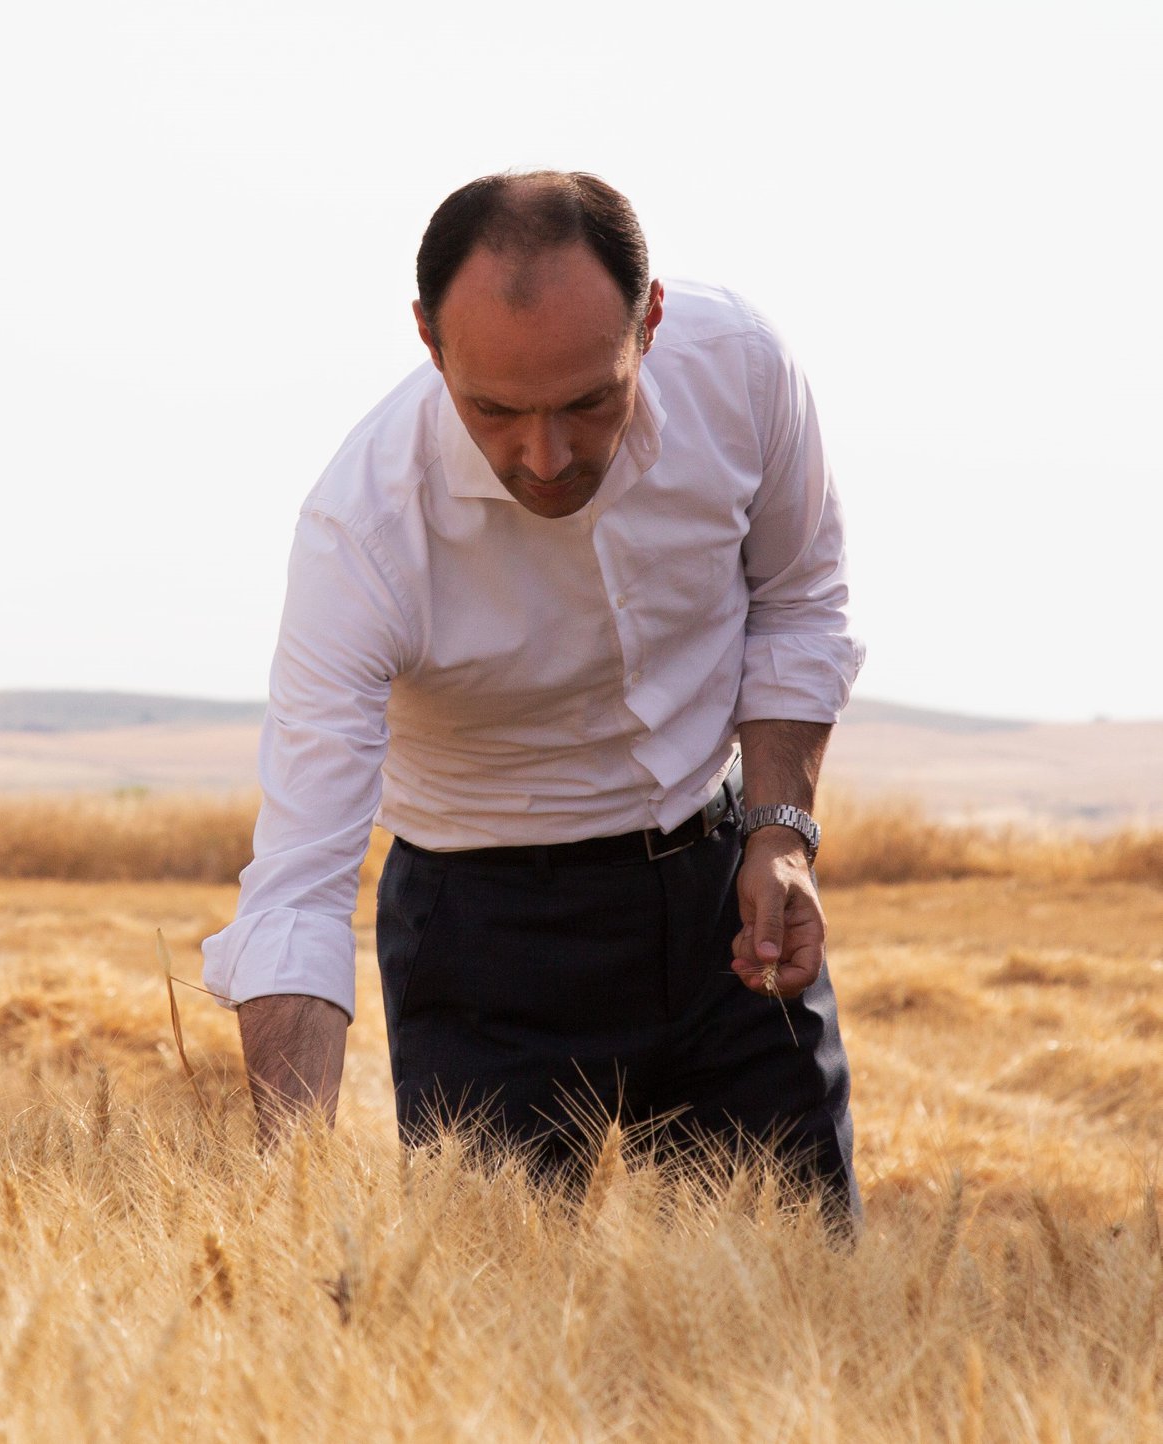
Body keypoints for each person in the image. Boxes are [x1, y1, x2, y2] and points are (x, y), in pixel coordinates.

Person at [201, 170, 862, 1224]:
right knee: (495, 1301)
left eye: (589, 402)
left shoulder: (741, 367)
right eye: (497, 411)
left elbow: (796, 601)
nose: (545, 459)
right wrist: (291, 1198)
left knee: (805, 1285)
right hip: (484, 944)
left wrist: (780, 833)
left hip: (723, 910)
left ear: (650, 322)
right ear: (430, 342)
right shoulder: (360, 534)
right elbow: (298, 892)